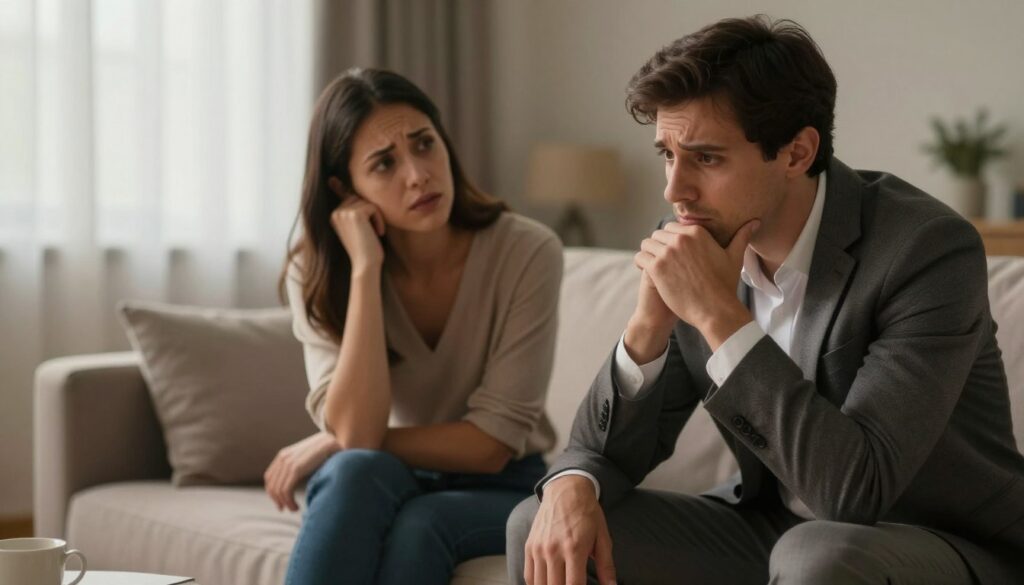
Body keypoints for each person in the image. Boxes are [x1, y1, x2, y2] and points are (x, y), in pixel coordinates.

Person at [507, 15, 1024, 585]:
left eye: (706, 158)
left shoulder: (925, 250)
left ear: (798, 153)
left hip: (934, 541)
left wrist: (717, 315)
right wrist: (646, 329)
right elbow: (603, 453)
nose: (674, 190)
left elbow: (856, 491)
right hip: (770, 529)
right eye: (666, 155)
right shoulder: (697, 238)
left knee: (815, 557)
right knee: (541, 520)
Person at [269, 67, 562, 585]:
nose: (418, 174)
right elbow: (357, 439)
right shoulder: (314, 271)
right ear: (344, 189)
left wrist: (333, 440)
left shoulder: (526, 251)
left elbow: (490, 445)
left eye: (424, 144)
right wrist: (365, 269)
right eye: (385, 163)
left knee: (420, 521)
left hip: (504, 484)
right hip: (390, 473)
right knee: (352, 470)